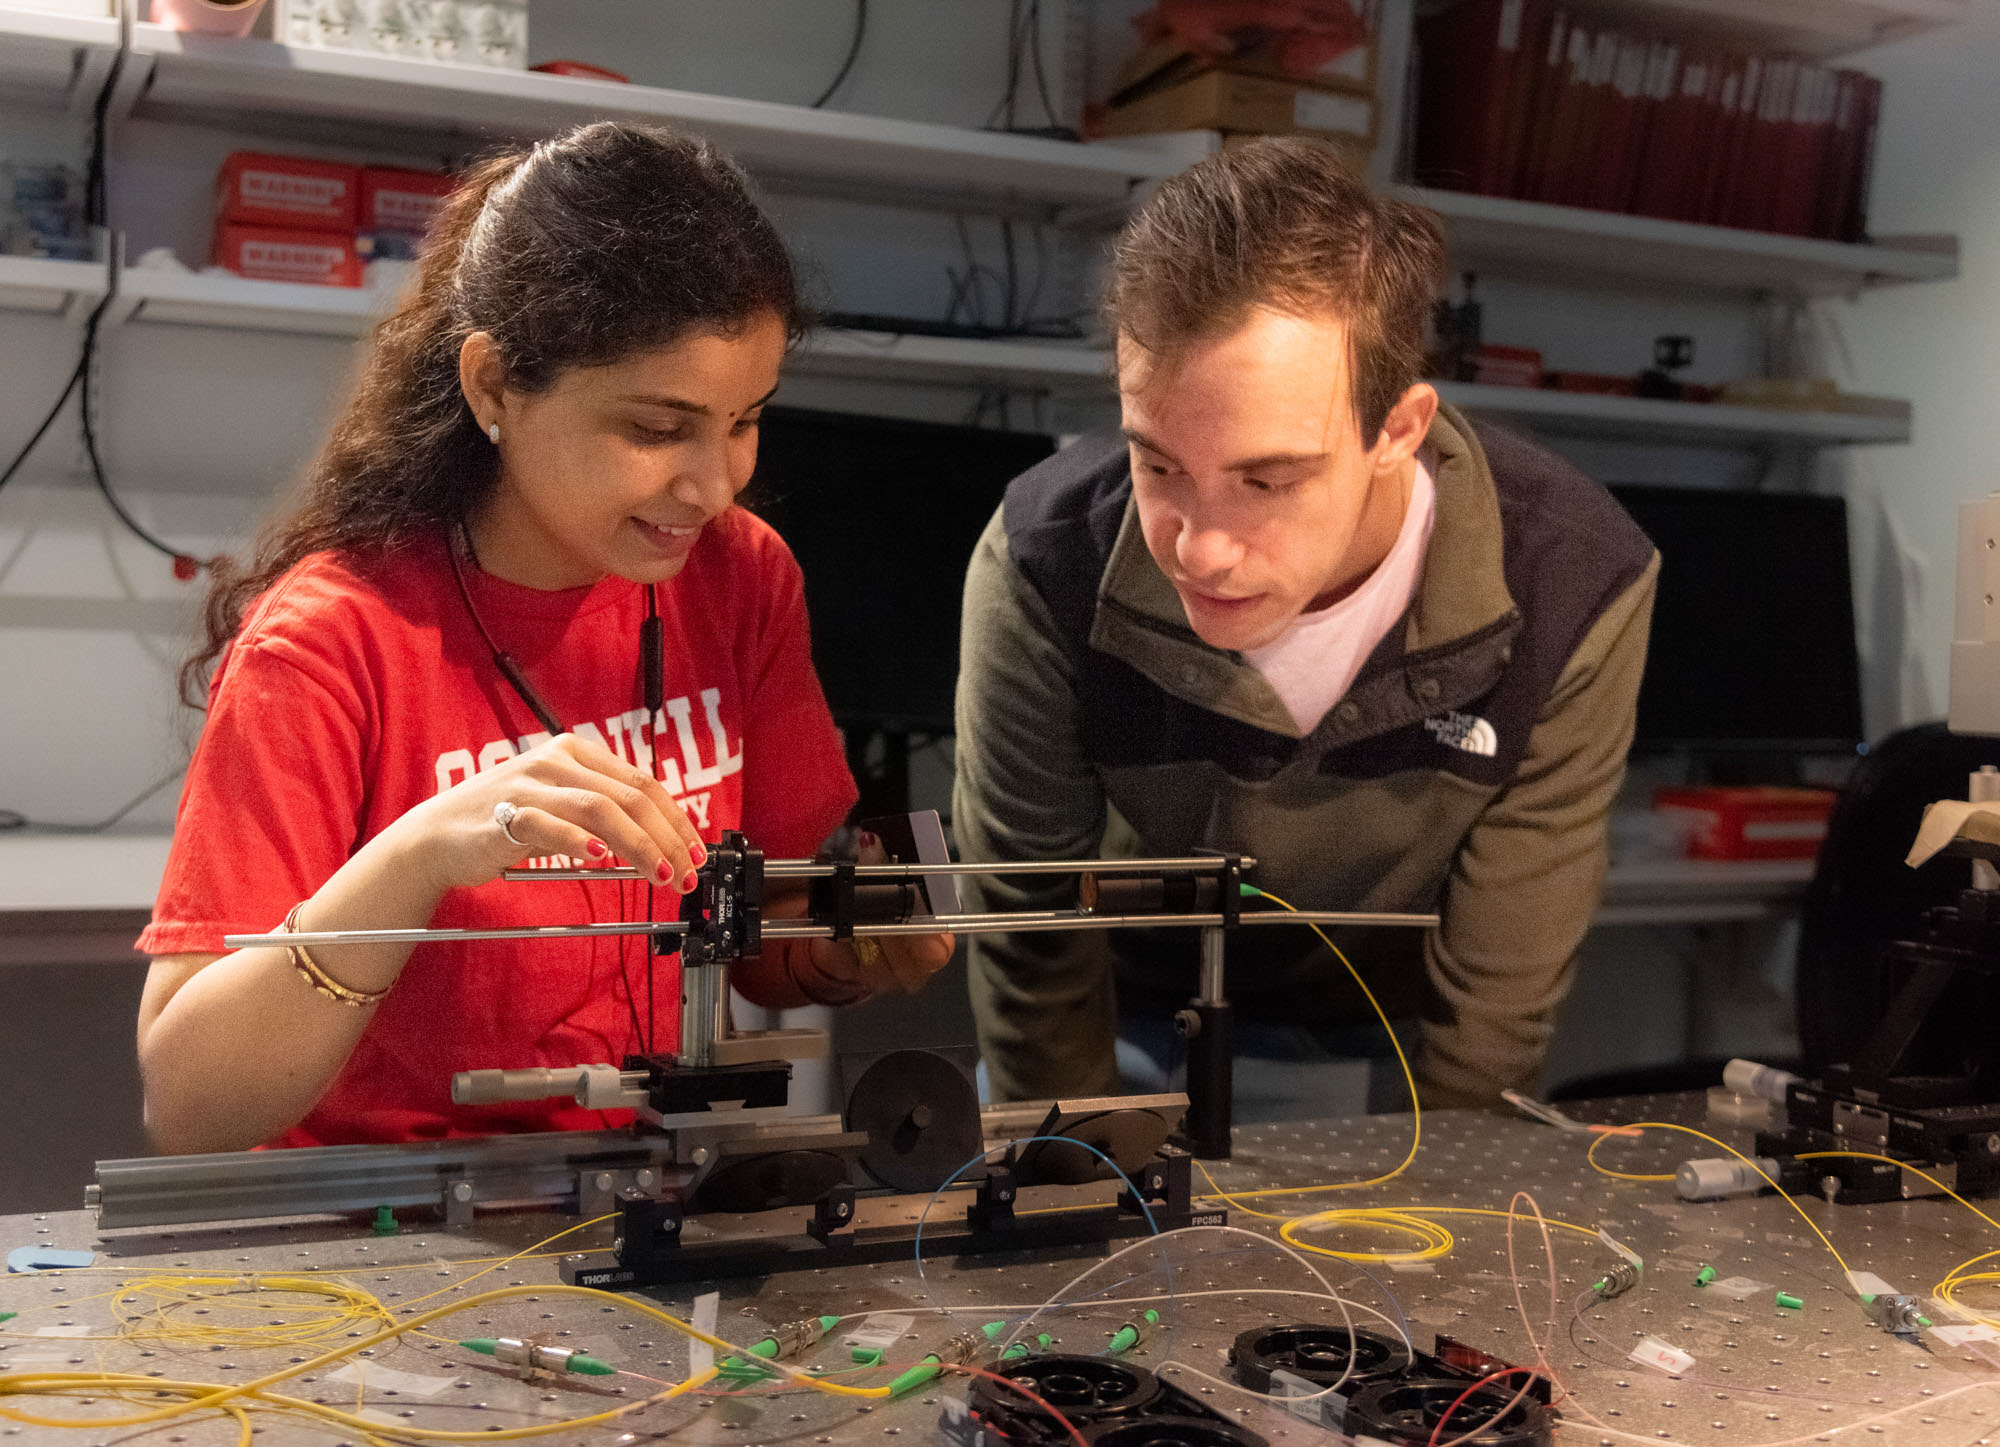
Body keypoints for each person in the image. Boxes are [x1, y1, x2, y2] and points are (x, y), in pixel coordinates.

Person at [136, 122, 952, 1155]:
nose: (712, 484)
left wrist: (854, 946)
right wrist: (422, 852)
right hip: (378, 1237)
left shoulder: (739, 577)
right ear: (491, 386)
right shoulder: (329, 645)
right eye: (657, 429)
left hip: (638, 1196)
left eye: (744, 419)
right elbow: (189, 1105)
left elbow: (764, 940)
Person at [954, 138, 1657, 1112]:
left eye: (1266, 479)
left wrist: (1437, 1215)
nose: (1200, 548)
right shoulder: (1042, 559)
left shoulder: (1572, 582)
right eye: (1156, 464)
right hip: (1117, 1013)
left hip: (1389, 1042)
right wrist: (1074, 1191)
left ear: (1397, 431)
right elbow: (1028, 917)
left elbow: (1498, 998)